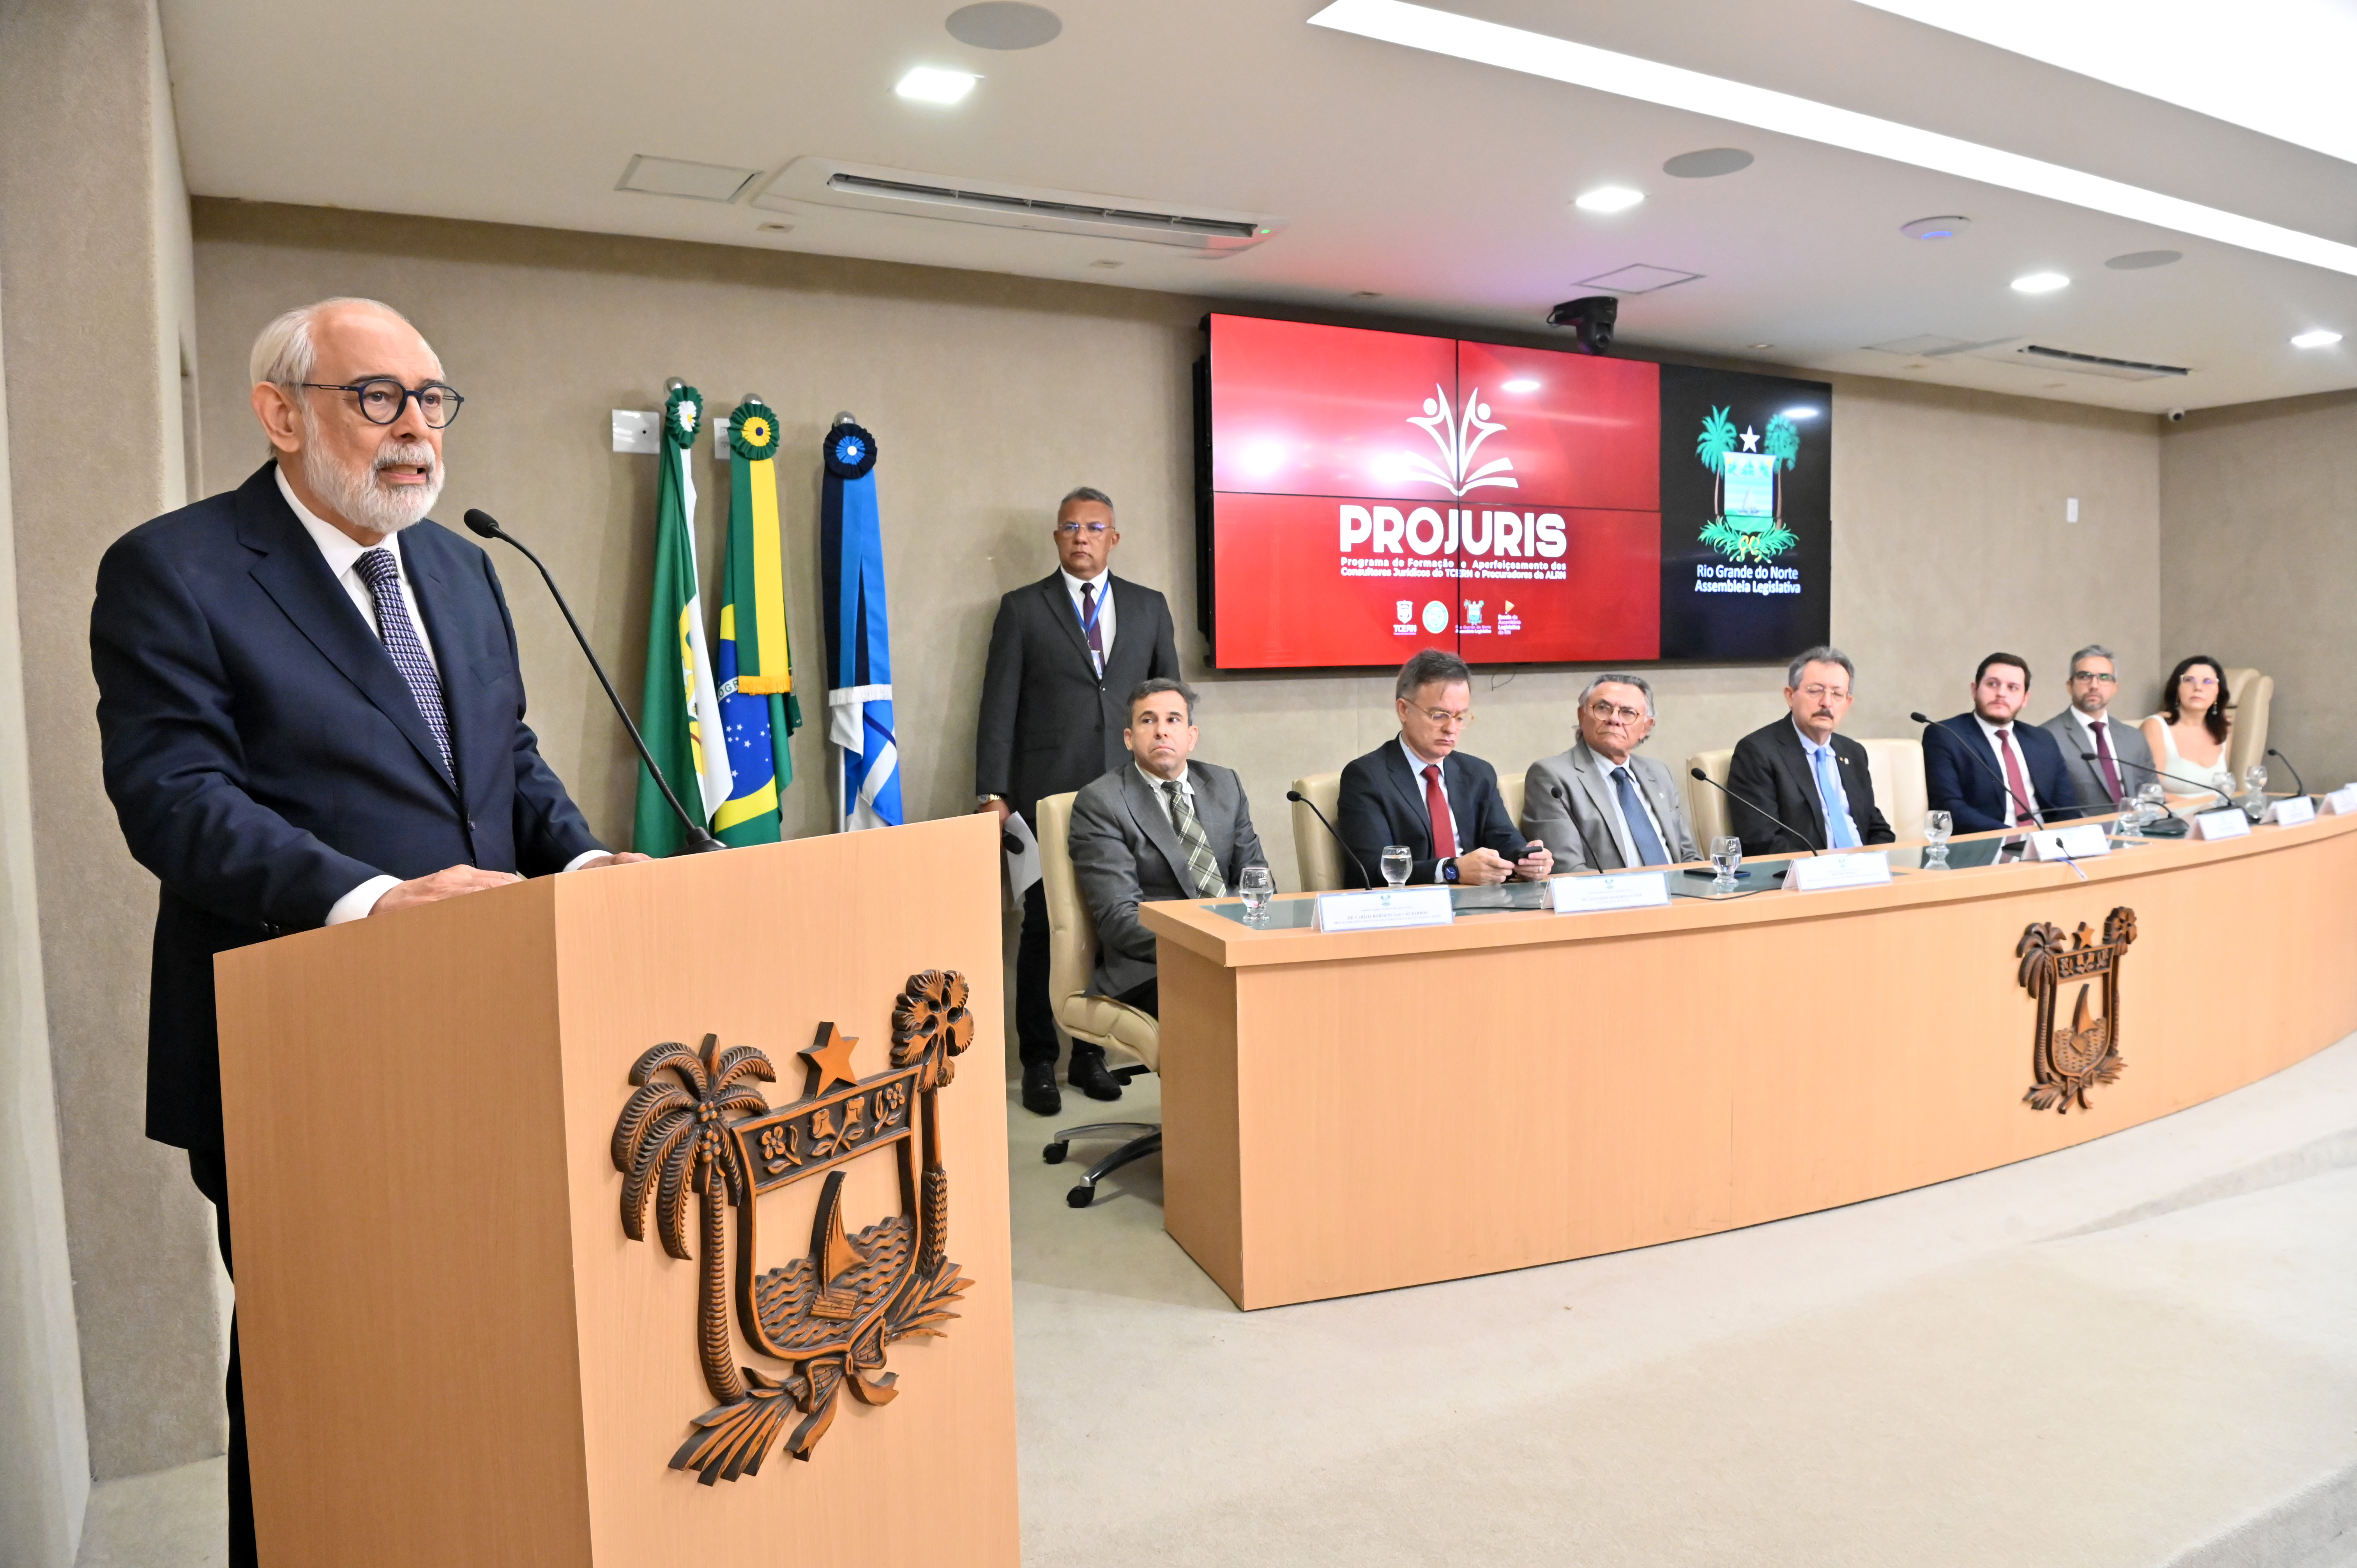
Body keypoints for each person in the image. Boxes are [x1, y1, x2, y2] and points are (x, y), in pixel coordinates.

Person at [89, 298, 648, 1568]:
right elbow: (176, 799)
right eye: (378, 397)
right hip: (304, 1050)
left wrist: (580, 857)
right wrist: (373, 900)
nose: (417, 430)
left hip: (492, 1032)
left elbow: (503, 761)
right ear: (281, 414)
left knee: (486, 1354)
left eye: (433, 400)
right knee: (323, 1382)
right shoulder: (175, 569)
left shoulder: (460, 566)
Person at [975, 486, 1181, 1115]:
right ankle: (1039, 1059)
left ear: (1113, 538)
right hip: (1044, 795)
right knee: (1044, 925)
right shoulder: (1022, 608)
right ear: (1057, 537)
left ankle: (1092, 1054)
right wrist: (992, 792)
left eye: (1094, 528)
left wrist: (1174, 778)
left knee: (1113, 925)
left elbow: (1168, 700)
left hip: (1128, 797)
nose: (1082, 537)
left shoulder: (1149, 607)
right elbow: (998, 705)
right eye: (1070, 527)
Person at [1067, 680, 1269, 1017]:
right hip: (1154, 966)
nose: (1161, 731)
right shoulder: (1102, 802)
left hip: (1237, 951)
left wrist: (1237, 938)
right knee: (1233, 1004)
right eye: (1148, 721)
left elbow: (1258, 881)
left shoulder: (1226, 785)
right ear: (1129, 738)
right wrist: (1208, 943)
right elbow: (1120, 917)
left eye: (1173, 720)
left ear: (1191, 736)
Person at [1336, 648, 1553, 887]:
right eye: (1439, 715)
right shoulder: (1367, 777)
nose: (1451, 729)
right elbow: (1372, 870)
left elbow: (1504, 839)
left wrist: (1527, 860)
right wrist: (1452, 871)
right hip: (1408, 905)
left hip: (1480, 901)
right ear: (1404, 710)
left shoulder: (1477, 773)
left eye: (1460, 717)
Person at [1723, 646, 1896, 855]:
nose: (1827, 703)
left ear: (1848, 703)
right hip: (1805, 872)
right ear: (1790, 696)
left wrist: (1876, 862)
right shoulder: (1758, 753)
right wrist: (1822, 867)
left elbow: (1875, 826)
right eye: (1815, 691)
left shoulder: (1853, 752)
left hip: (1865, 869)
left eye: (1837, 694)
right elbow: (1761, 840)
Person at [1522, 672, 1701, 871]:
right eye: (1603, 708)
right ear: (1582, 716)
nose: (1614, 719)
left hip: (1678, 889)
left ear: (1646, 727)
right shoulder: (1552, 776)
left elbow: (1688, 856)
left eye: (1628, 712)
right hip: (1610, 891)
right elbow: (1567, 870)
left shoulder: (1660, 773)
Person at [1923, 652, 2083, 833]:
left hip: (2047, 843)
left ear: (2025, 699)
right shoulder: (1946, 735)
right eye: (1992, 684)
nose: (2001, 693)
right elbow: (1949, 807)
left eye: (2013, 688)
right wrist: (2016, 836)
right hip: (1988, 843)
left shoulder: (2042, 740)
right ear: (1975, 690)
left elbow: (2067, 808)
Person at [2039, 643, 2155, 812]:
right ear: (2070, 686)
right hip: (2083, 827)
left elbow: (2152, 795)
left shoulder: (2134, 737)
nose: (2094, 685)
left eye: (2104, 678)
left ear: (2115, 688)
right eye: (2085, 677)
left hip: (2137, 825)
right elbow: (2050, 807)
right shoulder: (2047, 737)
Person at [2140, 654, 2237, 813]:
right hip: (2173, 817)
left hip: (2216, 817)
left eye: (2208, 682)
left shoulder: (2223, 729)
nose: (2198, 687)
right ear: (2177, 688)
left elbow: (2225, 789)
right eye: (2189, 680)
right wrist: (2199, 808)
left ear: (2218, 693)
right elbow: (2150, 791)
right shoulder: (2156, 727)